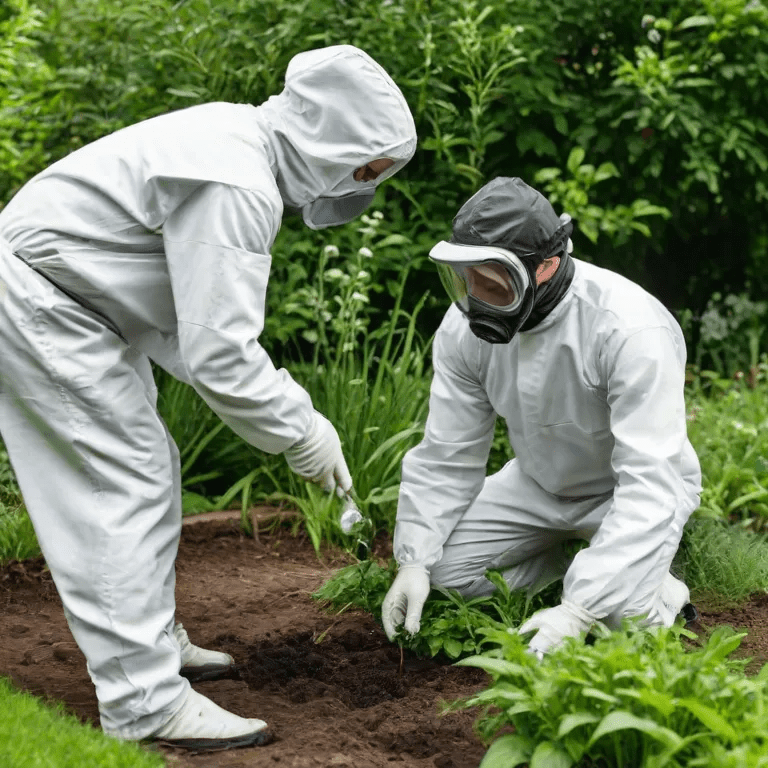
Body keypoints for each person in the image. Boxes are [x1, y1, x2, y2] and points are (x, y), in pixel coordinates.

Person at [0, 44, 416, 749]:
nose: (364, 182)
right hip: (47, 297)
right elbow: (221, 354)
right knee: (121, 481)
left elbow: (189, 325)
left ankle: (151, 646)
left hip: (76, 300)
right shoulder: (239, 182)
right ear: (334, 138)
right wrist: (304, 432)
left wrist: (285, 413)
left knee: (146, 468)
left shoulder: (234, 139)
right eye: (369, 165)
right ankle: (143, 701)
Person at [381, 177, 701, 660]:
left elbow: (649, 483)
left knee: (626, 623)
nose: (477, 298)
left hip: (627, 490)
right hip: (536, 485)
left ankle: (656, 593)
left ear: (547, 266)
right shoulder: (462, 330)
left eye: (493, 282)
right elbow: (449, 453)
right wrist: (414, 559)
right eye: (467, 279)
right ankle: (581, 565)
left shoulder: (629, 329)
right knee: (443, 576)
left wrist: (581, 611)